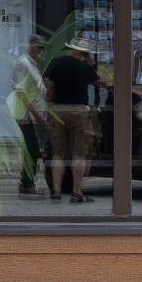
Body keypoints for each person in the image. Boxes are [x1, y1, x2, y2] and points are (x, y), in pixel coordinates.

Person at [44, 37, 102, 204]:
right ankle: (77, 192)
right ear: (84, 53)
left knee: (58, 154)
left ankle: (56, 190)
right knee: (79, 154)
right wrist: (89, 63)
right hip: (79, 110)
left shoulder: (56, 63)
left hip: (58, 110)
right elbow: (100, 83)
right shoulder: (85, 67)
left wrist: (49, 106)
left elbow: (50, 88)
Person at [10, 35, 50, 195]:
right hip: (27, 115)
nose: (41, 51)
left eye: (42, 48)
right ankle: (26, 182)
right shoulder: (23, 64)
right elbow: (22, 93)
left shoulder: (32, 64)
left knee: (32, 148)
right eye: (39, 47)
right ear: (32, 46)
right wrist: (37, 115)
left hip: (34, 114)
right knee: (32, 149)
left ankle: (27, 180)